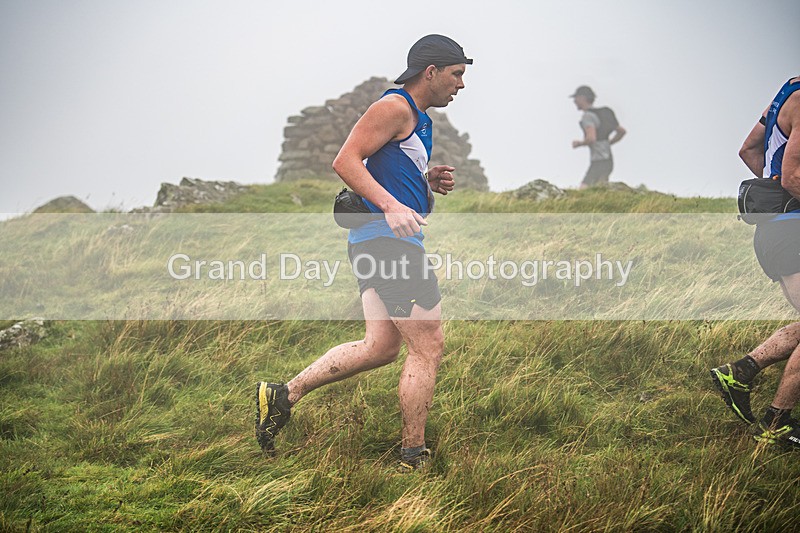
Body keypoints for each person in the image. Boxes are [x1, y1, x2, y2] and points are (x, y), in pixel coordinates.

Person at [255, 34, 471, 472]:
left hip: (376, 242)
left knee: (380, 346)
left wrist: (426, 181)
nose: (461, 85)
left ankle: (283, 394)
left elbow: (384, 166)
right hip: (388, 243)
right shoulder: (393, 107)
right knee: (428, 344)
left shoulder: (419, 119)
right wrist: (391, 206)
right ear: (430, 72)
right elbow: (346, 160)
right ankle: (414, 456)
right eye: (456, 75)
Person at [710, 76, 800, 448]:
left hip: (776, 229)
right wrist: (783, 190)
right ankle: (775, 424)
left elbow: (749, 149)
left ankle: (739, 373)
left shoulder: (788, 91)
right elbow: (794, 176)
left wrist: (770, 190)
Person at [570, 85, 626, 188]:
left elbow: (591, 138)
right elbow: (622, 132)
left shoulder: (587, 116)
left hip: (598, 160)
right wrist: (608, 143)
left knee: (584, 188)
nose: (574, 101)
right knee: (601, 189)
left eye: (576, 98)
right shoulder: (604, 113)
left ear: (582, 98)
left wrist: (579, 143)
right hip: (608, 160)